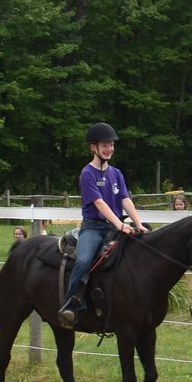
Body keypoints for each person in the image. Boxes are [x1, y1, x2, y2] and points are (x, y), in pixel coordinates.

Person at [59, 122, 145, 329]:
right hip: (94, 227)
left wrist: (138, 223)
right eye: (105, 145)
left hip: (116, 225)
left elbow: (125, 199)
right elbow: (99, 203)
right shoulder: (87, 173)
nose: (110, 149)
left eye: (112, 145)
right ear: (93, 147)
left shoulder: (116, 173)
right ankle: (71, 303)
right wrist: (119, 225)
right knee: (84, 260)